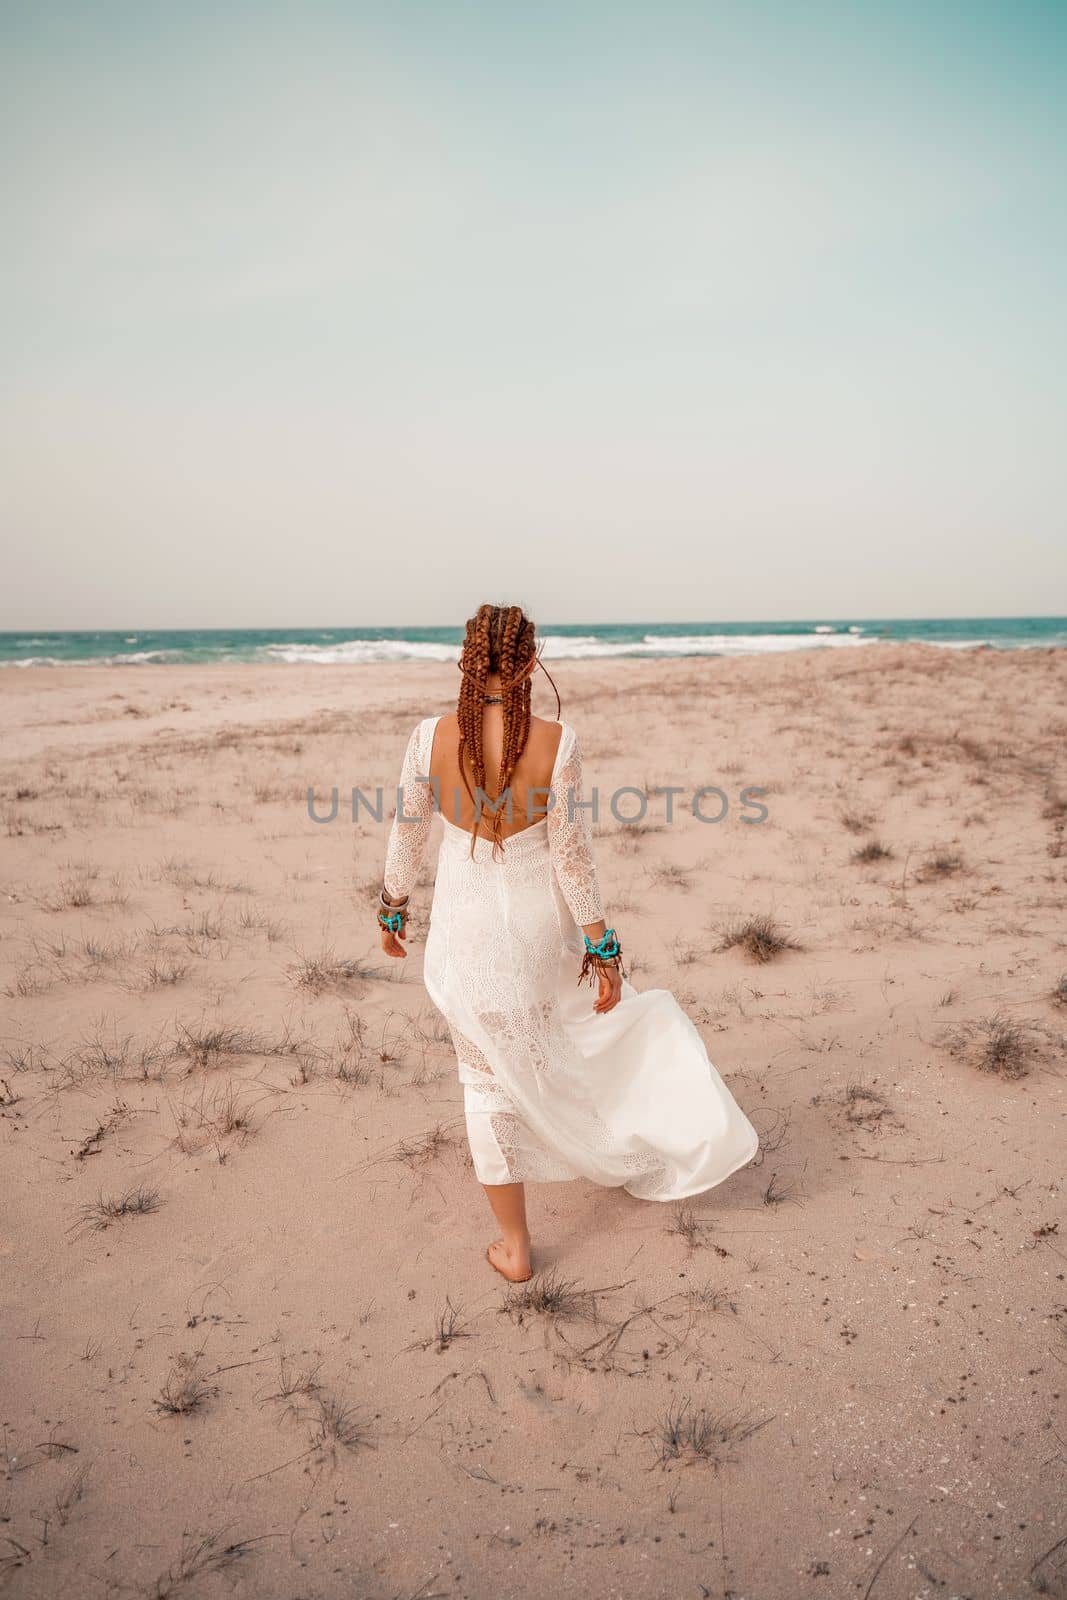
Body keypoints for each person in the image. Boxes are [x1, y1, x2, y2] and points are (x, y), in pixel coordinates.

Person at [377, 602, 759, 1282]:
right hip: (532, 932)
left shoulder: (426, 738)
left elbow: (408, 833)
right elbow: (572, 860)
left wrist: (393, 906)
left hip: (463, 935)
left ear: (466, 660)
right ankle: (605, 1133)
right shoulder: (558, 742)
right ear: (529, 661)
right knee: (559, 1033)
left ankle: (514, 1245)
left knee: (482, 1078)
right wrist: (603, 948)